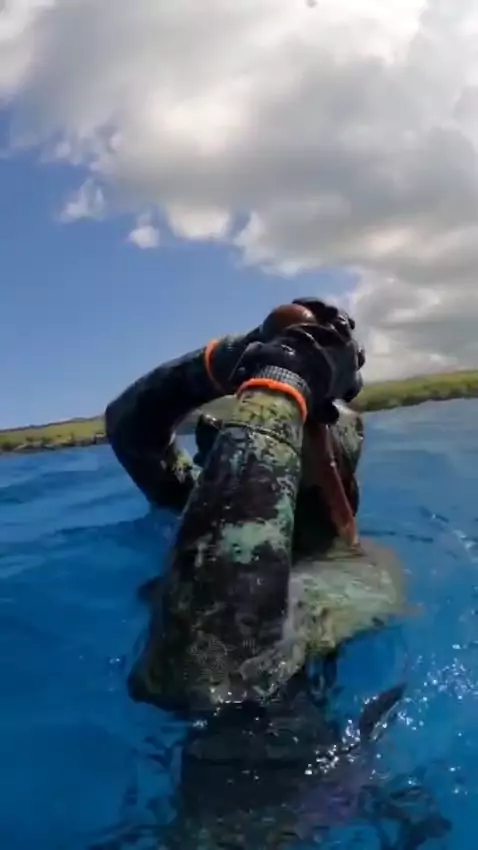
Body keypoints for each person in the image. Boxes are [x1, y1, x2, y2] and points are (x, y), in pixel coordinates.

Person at [105, 298, 366, 712]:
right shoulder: (202, 498)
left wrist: (279, 386)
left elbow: (212, 659)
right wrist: (232, 357)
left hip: (277, 743)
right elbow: (130, 427)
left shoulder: (353, 578)